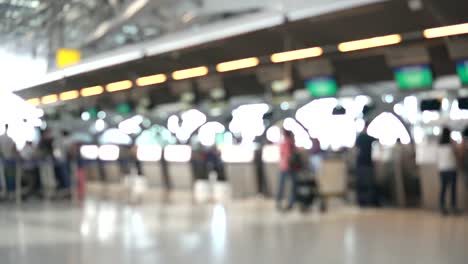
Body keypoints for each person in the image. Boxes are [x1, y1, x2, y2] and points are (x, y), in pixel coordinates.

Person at [355, 122, 379, 207]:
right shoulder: (368, 138)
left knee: (361, 183)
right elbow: (377, 141)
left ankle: (362, 202)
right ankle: (369, 201)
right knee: (369, 183)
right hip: (367, 163)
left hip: (360, 163)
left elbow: (356, 150)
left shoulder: (359, 137)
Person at [437, 127, 459, 215]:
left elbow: (437, 158)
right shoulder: (451, 144)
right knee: (453, 189)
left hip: (442, 169)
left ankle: (442, 207)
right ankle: (453, 207)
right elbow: (456, 154)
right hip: (451, 168)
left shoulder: (439, 145)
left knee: (443, 188)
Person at [277, 129, 299, 211]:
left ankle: (279, 202)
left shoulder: (283, 143)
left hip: (283, 166)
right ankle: (291, 202)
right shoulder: (289, 142)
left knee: (282, 185)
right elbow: (288, 155)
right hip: (290, 167)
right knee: (293, 186)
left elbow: (282, 154)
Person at [0, 124, 18, 193]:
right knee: (8, 177)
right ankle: (9, 192)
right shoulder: (10, 139)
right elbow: (14, 150)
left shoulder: (3, 138)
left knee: (5, 177)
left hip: (6, 161)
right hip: (8, 161)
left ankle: (6, 192)